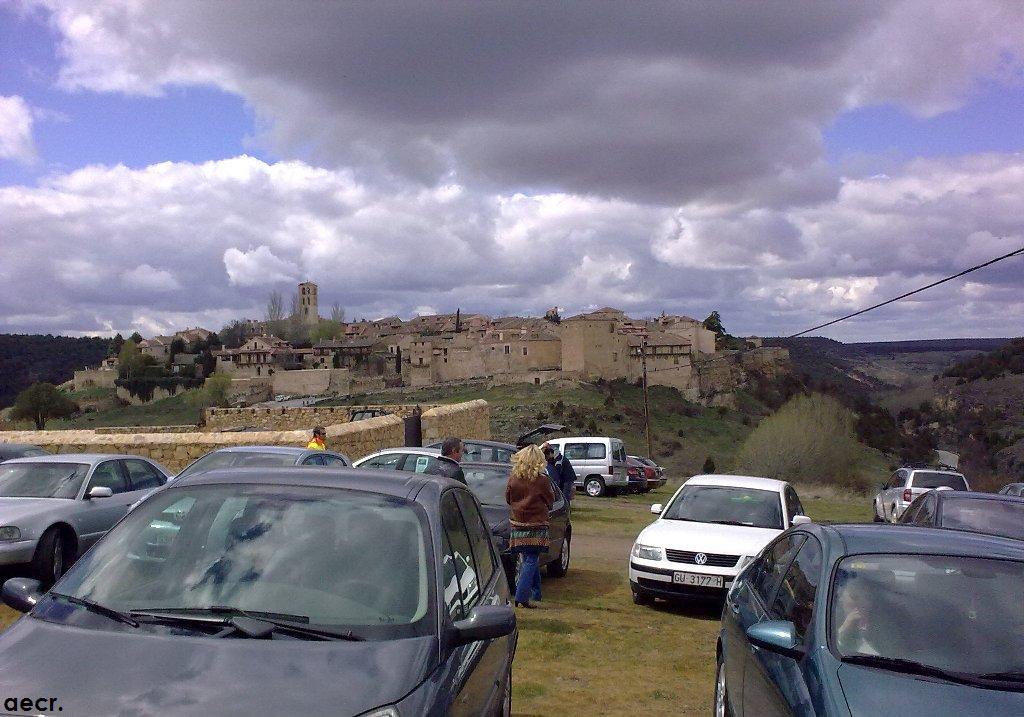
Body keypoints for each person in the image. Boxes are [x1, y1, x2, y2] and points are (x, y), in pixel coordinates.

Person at [505, 444, 554, 609]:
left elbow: (508, 498)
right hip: (536, 524)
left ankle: (536, 594)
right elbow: (550, 501)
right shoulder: (542, 480)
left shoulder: (513, 478)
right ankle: (521, 596)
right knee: (532, 559)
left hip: (518, 524)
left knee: (527, 559)